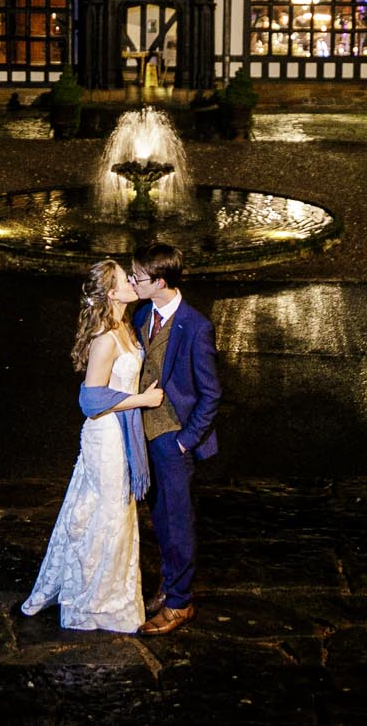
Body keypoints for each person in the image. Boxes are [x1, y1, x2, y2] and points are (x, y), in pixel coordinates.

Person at [20, 259, 165, 633]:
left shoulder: (127, 327)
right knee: (108, 515)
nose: (134, 282)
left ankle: (110, 597)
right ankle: (94, 604)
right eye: (125, 280)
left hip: (120, 434)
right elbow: (90, 399)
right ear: (112, 293)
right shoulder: (105, 338)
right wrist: (141, 402)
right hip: (107, 438)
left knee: (113, 513)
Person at [129, 241, 222, 636]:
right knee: (160, 520)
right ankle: (170, 587)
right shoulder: (141, 314)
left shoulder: (195, 326)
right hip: (144, 436)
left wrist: (185, 441)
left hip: (173, 439)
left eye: (139, 277)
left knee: (178, 522)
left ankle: (180, 604)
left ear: (160, 282)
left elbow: (211, 392)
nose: (133, 281)